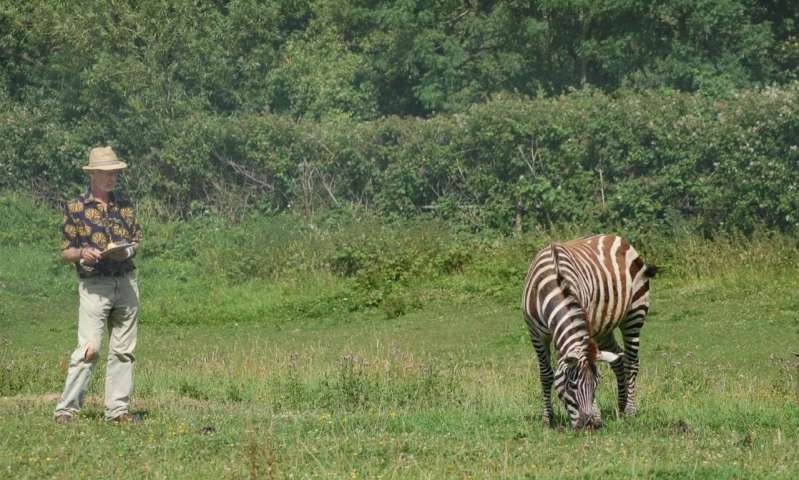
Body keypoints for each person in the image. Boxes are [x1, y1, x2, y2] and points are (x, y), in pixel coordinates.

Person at [54, 146, 142, 423]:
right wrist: (83, 253)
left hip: (126, 283)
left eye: (115, 172)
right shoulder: (76, 207)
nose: (111, 177)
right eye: (106, 173)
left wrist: (126, 250)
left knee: (124, 352)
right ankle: (66, 410)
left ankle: (117, 411)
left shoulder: (125, 205)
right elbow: (66, 251)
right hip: (94, 286)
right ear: (93, 175)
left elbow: (136, 240)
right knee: (89, 350)